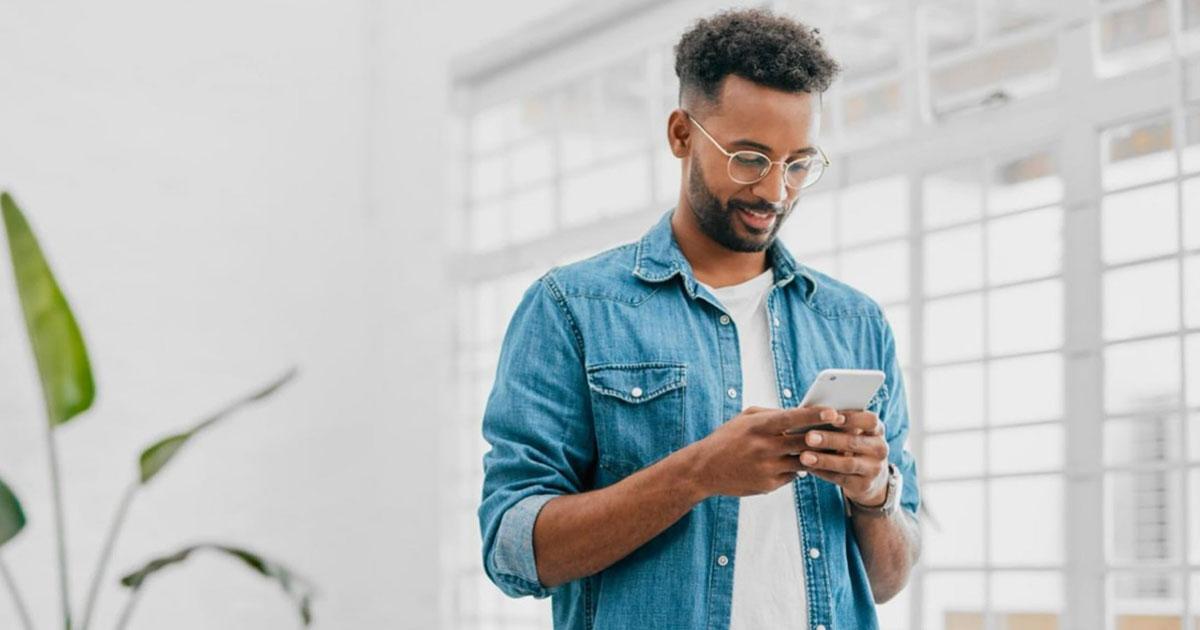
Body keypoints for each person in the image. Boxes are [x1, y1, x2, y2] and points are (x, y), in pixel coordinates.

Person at [478, 8, 921, 629]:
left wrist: (873, 495)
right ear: (682, 134)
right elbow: (513, 550)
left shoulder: (854, 323)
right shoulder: (572, 308)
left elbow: (889, 579)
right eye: (749, 158)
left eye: (798, 164)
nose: (775, 192)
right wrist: (698, 473)